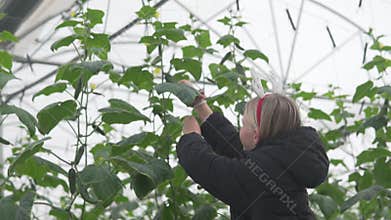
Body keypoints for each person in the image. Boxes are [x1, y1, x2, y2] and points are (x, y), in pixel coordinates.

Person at [176, 81, 329, 220]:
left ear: (255, 135)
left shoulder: (259, 175)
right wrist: (201, 106)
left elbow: (208, 167)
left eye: (243, 125)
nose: (240, 130)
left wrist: (191, 136)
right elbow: (235, 147)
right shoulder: (286, 158)